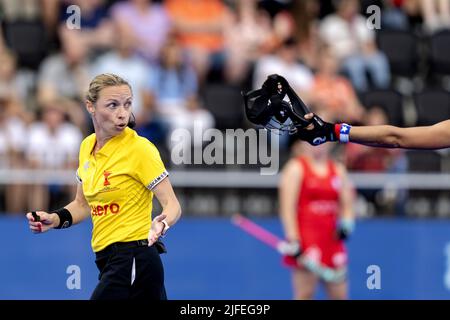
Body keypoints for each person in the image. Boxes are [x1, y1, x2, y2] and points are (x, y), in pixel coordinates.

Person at [26, 73, 182, 300]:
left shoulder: (140, 149)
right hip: (108, 261)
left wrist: (162, 222)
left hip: (135, 257)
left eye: (127, 104)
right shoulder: (87, 146)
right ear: (90, 106)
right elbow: (82, 204)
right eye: (112, 105)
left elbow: (172, 204)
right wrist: (55, 219)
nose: (122, 113)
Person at [279, 132, 355, 300]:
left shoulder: (337, 170)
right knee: (305, 294)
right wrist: (293, 239)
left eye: (321, 140)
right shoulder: (296, 168)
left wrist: (347, 224)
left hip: (331, 240)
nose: (317, 144)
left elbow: (347, 204)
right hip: (307, 242)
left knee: (340, 295)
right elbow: (287, 208)